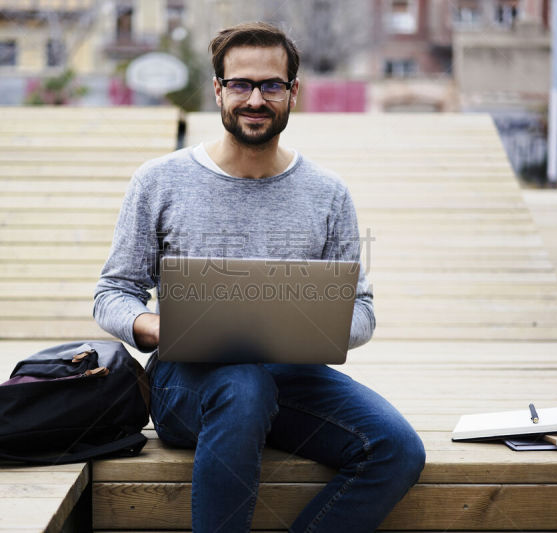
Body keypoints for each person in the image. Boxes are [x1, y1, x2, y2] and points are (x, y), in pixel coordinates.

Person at [94, 21, 425, 533]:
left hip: (291, 376)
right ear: (218, 90)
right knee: (243, 385)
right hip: (187, 383)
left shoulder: (327, 193)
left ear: (293, 92)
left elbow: (362, 311)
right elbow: (113, 294)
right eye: (241, 84)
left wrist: (309, 327)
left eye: (271, 85)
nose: (256, 99)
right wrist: (160, 327)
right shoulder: (159, 181)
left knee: (397, 449)